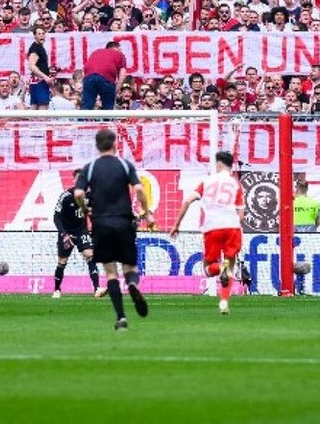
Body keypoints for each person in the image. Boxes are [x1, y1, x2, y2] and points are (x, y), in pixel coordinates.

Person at [74, 128, 153, 330]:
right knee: (130, 267)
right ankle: (133, 284)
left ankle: (121, 317)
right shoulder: (124, 165)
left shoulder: (90, 168)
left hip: (100, 222)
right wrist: (147, 212)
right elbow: (139, 189)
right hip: (124, 221)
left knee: (110, 273)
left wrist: (85, 209)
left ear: (97, 145)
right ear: (115, 144)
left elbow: (78, 193)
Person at [169, 151, 245, 315]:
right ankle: (224, 302)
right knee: (230, 267)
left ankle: (221, 269)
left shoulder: (207, 181)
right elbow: (241, 215)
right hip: (232, 226)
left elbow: (187, 201)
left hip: (213, 227)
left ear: (218, 165)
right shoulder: (235, 184)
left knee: (208, 268)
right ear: (231, 167)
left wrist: (176, 225)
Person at [51, 169, 104, 298]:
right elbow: (56, 217)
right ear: (74, 180)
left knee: (89, 255)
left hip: (81, 230)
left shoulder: (90, 196)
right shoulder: (66, 196)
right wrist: (64, 234)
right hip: (67, 232)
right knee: (62, 261)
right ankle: (57, 290)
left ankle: (97, 289)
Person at [292, 174, 320, 294]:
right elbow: (317, 222)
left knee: (294, 261)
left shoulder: (291, 203)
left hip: (294, 235)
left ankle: (295, 286)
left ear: (296, 188)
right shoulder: (315, 203)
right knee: (309, 261)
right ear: (307, 189)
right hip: (310, 234)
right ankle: (308, 287)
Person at [80, 41, 127, 110]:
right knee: (108, 107)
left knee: (86, 106)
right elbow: (122, 75)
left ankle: (82, 120)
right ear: (118, 48)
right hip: (106, 78)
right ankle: (107, 120)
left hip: (89, 78)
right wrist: (116, 90)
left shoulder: (96, 52)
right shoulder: (119, 54)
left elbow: (85, 69)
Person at [27, 25, 53, 110]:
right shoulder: (35, 48)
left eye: (43, 33)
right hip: (39, 82)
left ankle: (27, 123)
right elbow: (31, 66)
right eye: (39, 34)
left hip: (37, 82)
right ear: (34, 36)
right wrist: (45, 77)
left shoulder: (40, 48)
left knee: (34, 107)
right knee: (43, 107)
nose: (41, 35)